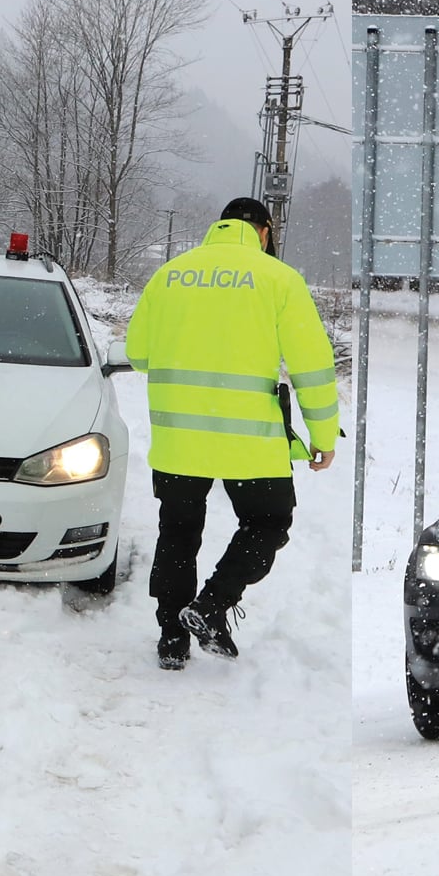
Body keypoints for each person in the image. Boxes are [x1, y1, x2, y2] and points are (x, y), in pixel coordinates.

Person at [125, 197, 339, 670]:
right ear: (264, 231)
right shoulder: (279, 279)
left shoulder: (171, 274)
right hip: (251, 441)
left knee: (178, 532)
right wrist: (322, 436)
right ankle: (211, 605)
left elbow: (138, 353)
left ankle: (171, 639)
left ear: (219, 226)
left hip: (180, 439)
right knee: (267, 523)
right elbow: (313, 367)